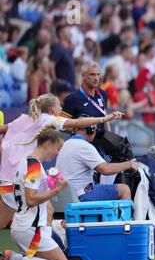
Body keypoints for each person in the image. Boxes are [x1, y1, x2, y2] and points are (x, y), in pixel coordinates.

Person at [0, 93, 123, 229]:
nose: (61, 108)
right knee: (44, 212)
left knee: (46, 211)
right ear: (53, 109)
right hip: (21, 176)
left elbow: (2, 129)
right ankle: (41, 246)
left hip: (7, 177)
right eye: (59, 105)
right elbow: (77, 123)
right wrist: (105, 118)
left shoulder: (22, 120)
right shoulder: (47, 119)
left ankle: (41, 244)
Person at [0, 125, 72, 260]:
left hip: (28, 227)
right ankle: (16, 259)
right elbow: (31, 199)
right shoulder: (33, 165)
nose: (57, 154)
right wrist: (56, 190)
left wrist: (51, 183)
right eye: (57, 149)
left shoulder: (29, 162)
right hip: (30, 229)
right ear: (47, 144)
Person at [55, 123, 139, 202]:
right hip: (81, 194)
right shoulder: (84, 146)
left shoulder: (65, 144)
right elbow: (106, 170)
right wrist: (129, 164)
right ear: (90, 130)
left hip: (66, 195)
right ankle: (120, 218)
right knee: (124, 189)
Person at [62, 61, 110, 133]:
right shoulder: (73, 98)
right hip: (81, 142)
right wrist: (81, 130)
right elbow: (62, 124)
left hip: (100, 143)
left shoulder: (102, 94)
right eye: (92, 75)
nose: (96, 78)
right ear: (83, 75)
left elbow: (105, 118)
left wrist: (109, 140)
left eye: (98, 74)